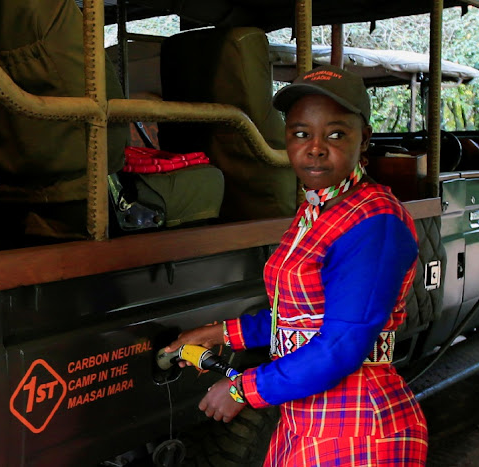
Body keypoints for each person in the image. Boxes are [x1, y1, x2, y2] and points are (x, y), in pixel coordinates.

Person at [164, 65, 428, 466]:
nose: (316, 147)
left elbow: (341, 346)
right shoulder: (317, 210)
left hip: (357, 428)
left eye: (336, 134)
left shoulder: (375, 222)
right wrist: (222, 333)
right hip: (307, 420)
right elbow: (298, 316)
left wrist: (241, 390)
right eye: (301, 133)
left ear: (365, 139)